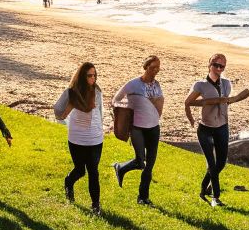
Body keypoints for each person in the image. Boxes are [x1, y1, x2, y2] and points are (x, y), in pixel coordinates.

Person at [186, 53, 249, 207]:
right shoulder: (200, 85)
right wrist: (191, 119)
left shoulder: (227, 84)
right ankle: (216, 197)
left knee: (220, 163)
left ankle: (203, 189)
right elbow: (188, 102)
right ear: (210, 65)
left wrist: (229, 100)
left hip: (222, 127)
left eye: (222, 66)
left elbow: (228, 101)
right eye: (216, 65)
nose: (219, 68)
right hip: (205, 129)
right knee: (211, 163)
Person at [53, 62, 106, 213]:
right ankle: (68, 182)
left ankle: (95, 205)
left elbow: (100, 111)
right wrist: (66, 117)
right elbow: (58, 110)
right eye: (89, 75)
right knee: (80, 170)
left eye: (95, 75)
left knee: (93, 171)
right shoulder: (72, 92)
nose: (93, 78)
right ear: (82, 76)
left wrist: (100, 128)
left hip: (95, 138)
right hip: (77, 138)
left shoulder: (97, 91)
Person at [113, 56, 167, 206]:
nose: (156, 70)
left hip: (154, 128)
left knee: (149, 165)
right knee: (140, 162)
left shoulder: (157, 85)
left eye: (158, 67)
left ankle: (143, 197)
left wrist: (156, 105)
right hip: (137, 128)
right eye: (153, 67)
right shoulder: (133, 84)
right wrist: (128, 109)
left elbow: (159, 102)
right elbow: (115, 99)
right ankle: (120, 167)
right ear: (146, 67)